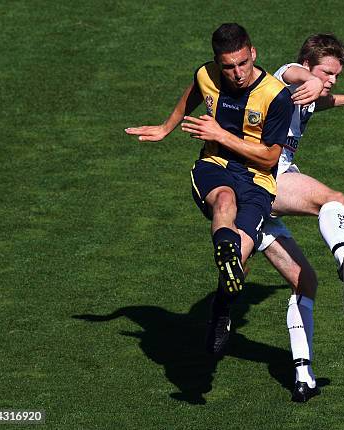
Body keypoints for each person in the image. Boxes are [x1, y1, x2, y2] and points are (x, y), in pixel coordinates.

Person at [125, 23, 293, 357]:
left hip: (259, 180)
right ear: (217, 62)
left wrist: (221, 134)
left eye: (243, 63)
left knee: (238, 265)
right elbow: (193, 93)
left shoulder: (276, 95)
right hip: (214, 166)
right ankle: (226, 249)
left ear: (253, 53)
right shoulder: (207, 74)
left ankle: (220, 310)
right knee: (224, 200)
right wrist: (165, 127)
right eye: (228, 66)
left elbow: (271, 156)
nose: (237, 73)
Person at [255, 33, 344, 402]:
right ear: (309, 64)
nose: (331, 80)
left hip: (261, 201)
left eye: (336, 75)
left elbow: (318, 102)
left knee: (305, 283)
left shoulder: (311, 94)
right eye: (327, 72)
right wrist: (310, 78)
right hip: (264, 179)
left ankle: (303, 376)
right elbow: (295, 75)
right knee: (333, 199)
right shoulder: (287, 77)